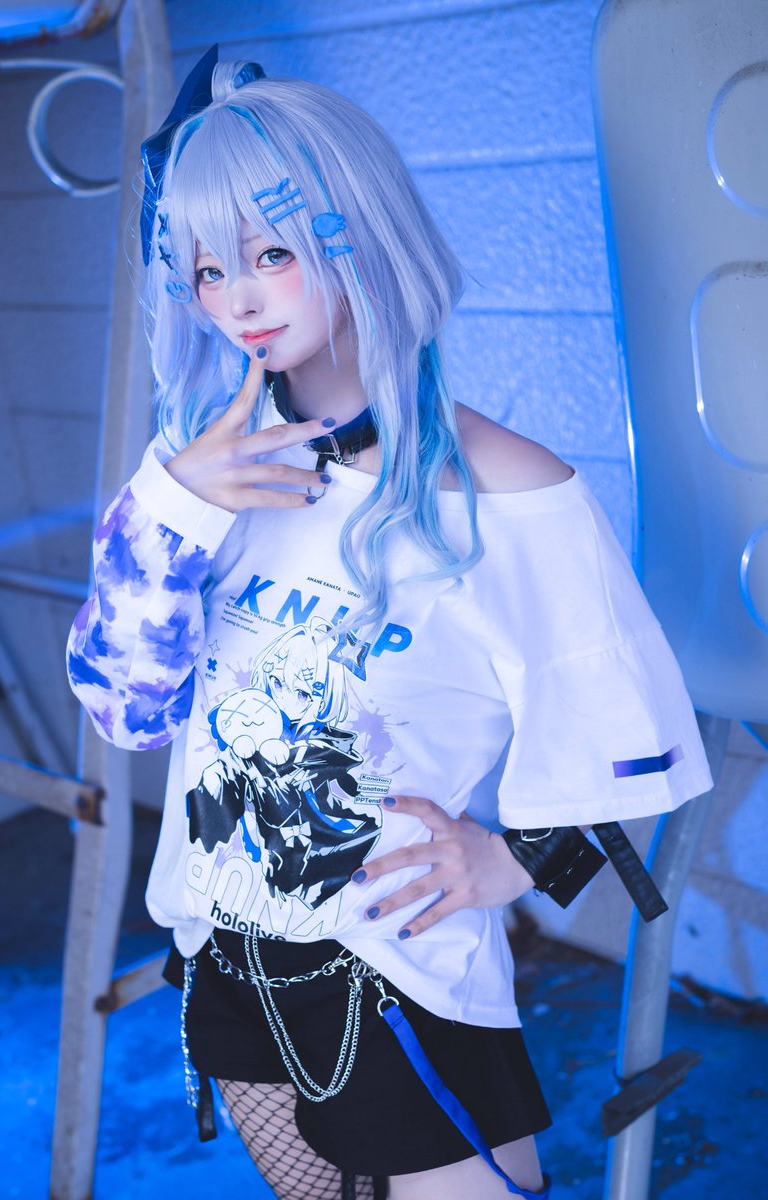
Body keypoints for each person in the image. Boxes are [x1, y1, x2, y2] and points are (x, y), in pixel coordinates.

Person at [66, 54, 712, 1200]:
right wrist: (170, 508)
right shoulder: (194, 475)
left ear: (359, 232)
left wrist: (511, 861)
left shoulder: (510, 492)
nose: (237, 300)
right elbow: (126, 714)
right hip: (223, 953)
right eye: (207, 268)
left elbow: (626, 733)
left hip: (396, 972)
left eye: (269, 253)